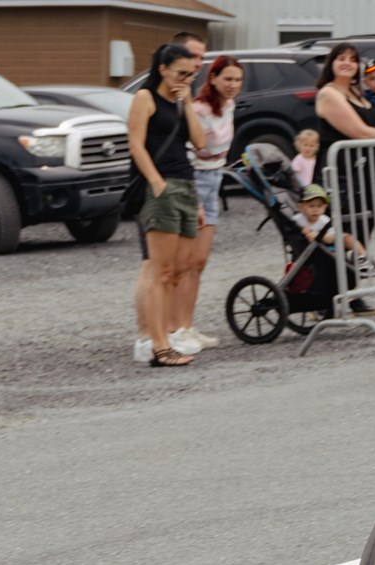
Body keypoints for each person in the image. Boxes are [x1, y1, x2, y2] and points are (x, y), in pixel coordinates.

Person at [127, 44, 206, 367]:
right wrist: (156, 182)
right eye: (180, 73)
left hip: (186, 185)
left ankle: (167, 338)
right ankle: (158, 347)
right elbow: (136, 144)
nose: (185, 79)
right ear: (163, 69)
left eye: (191, 75)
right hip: (162, 188)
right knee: (161, 272)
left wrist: (187, 102)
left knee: (179, 271)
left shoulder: (180, 101)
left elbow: (200, 142)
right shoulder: (145, 98)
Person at [315, 42, 375, 302]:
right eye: (341, 58)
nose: (347, 63)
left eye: (352, 59)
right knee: (344, 232)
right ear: (331, 63)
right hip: (341, 174)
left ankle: (351, 293)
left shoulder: (357, 92)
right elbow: (358, 132)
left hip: (366, 172)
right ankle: (327, 297)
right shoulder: (329, 94)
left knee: (363, 231)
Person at [173, 55, 242, 355]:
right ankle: (175, 328)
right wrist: (193, 197)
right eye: (227, 79)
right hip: (195, 181)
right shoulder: (199, 109)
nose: (233, 85)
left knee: (199, 262)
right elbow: (190, 151)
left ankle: (187, 325)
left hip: (215, 180)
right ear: (213, 78)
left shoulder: (230, 106)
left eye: (237, 80)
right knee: (185, 262)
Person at [293, 183, 368, 259]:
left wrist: (320, 236)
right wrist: (300, 231)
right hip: (312, 253)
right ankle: (349, 256)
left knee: (347, 238)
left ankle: (363, 256)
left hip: (329, 247)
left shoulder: (324, 220)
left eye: (319, 206)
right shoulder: (297, 220)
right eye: (311, 206)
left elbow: (332, 238)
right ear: (301, 207)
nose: (315, 210)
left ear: (324, 208)